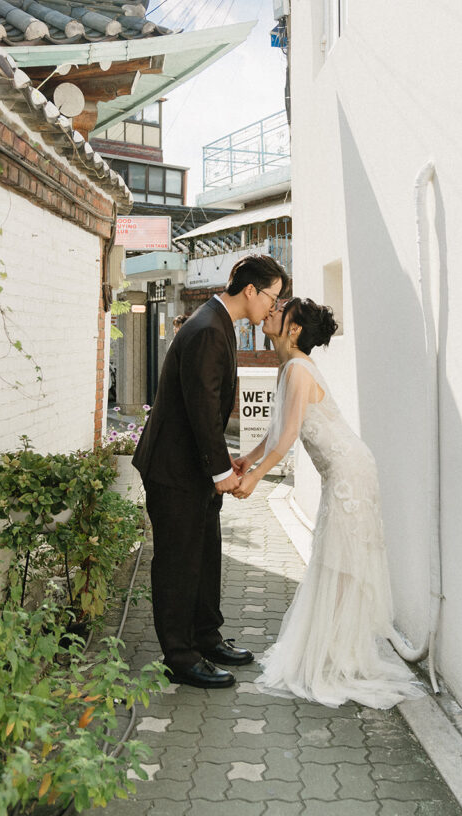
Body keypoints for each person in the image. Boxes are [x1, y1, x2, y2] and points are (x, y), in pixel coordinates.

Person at [233, 297, 424, 709]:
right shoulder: (288, 367)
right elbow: (277, 429)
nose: (270, 313)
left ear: (295, 329)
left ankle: (337, 658)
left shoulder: (299, 369)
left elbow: (287, 440)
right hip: (341, 472)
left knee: (341, 564)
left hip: (350, 472)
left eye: (278, 311)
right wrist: (247, 458)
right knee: (333, 559)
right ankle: (334, 652)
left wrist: (254, 479)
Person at [132, 255, 288, 689]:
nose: (273, 309)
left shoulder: (217, 323)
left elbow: (209, 405)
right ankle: (180, 657)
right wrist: (222, 472)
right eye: (273, 298)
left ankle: (205, 637)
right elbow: (202, 407)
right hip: (173, 469)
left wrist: (225, 461)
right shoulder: (205, 329)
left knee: (205, 556)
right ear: (251, 291)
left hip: (194, 468)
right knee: (179, 563)